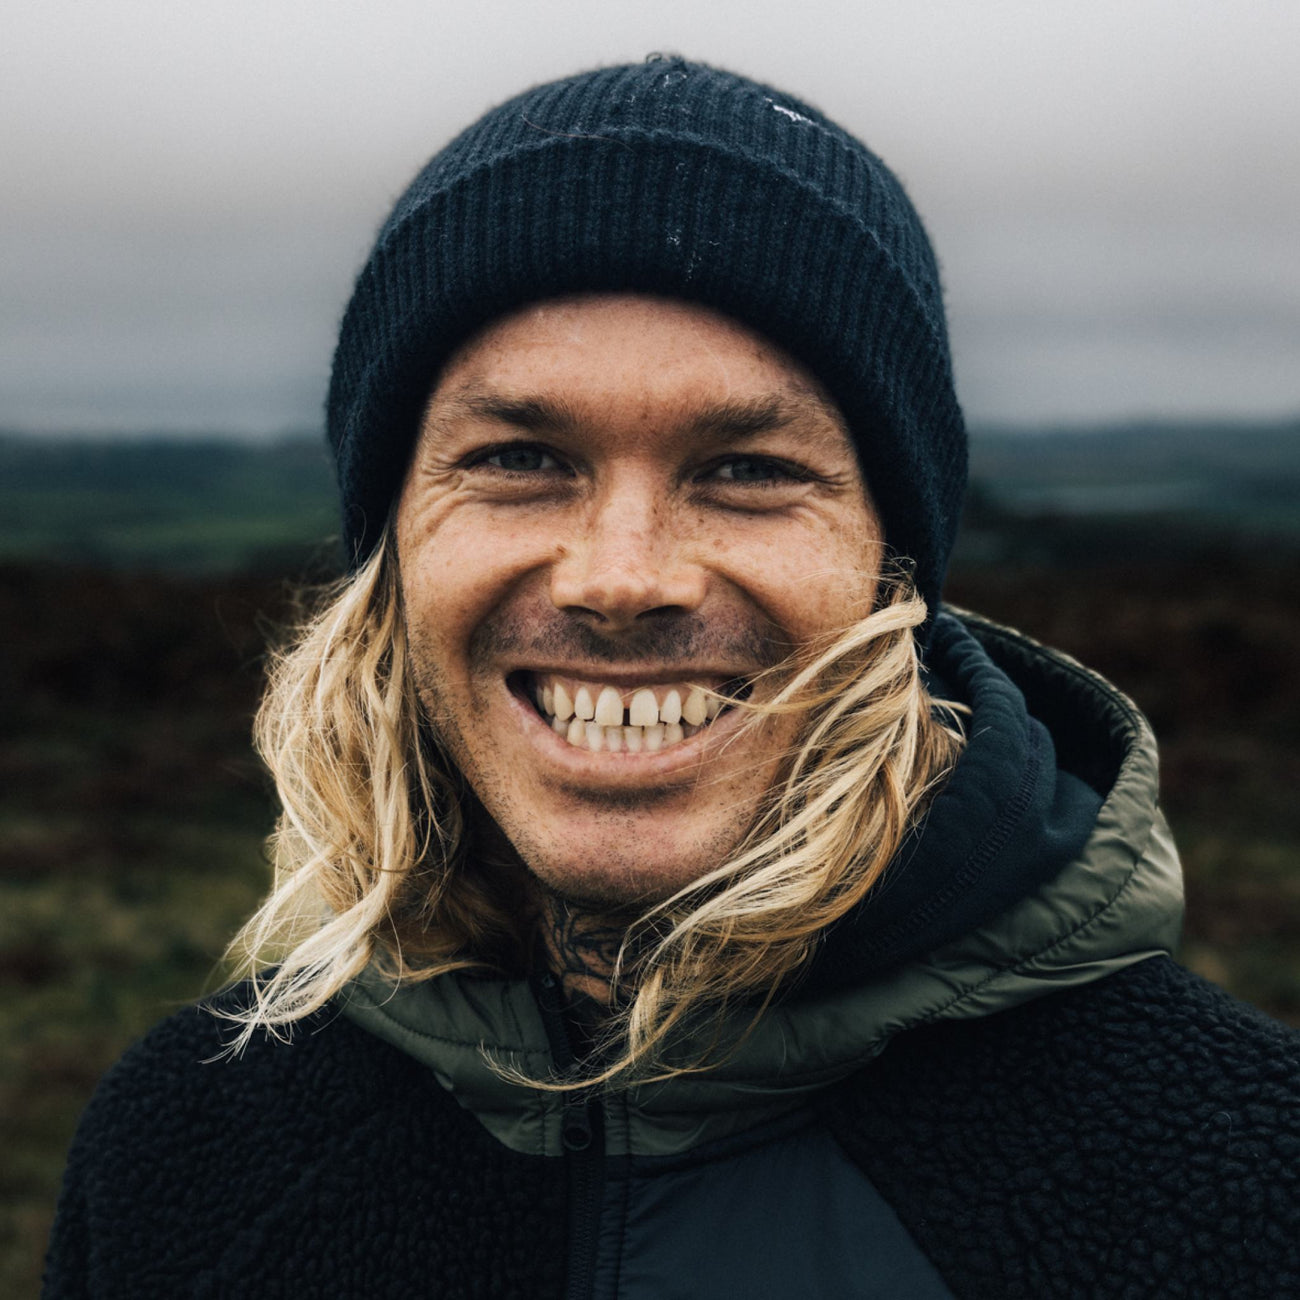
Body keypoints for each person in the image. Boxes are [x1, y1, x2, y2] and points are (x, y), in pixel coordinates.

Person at [45, 58, 1299, 1299]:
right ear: (389, 552)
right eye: (521, 457)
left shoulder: (1240, 1188)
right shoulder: (183, 1153)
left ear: (894, 565)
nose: (620, 577)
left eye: (747, 469)